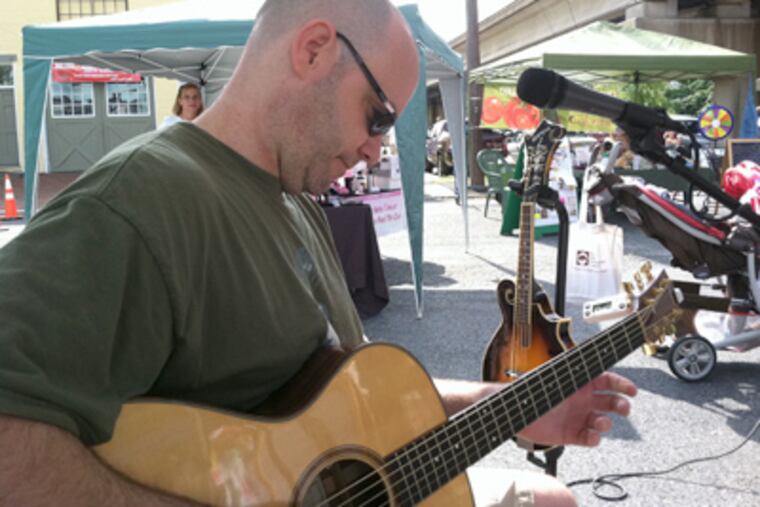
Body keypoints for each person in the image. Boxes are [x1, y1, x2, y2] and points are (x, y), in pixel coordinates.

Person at [0, 1, 636, 506]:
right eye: (379, 118)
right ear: (313, 50)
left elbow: (349, 404)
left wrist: (513, 409)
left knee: (552, 498)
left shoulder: (296, 198)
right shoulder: (139, 202)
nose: (376, 151)